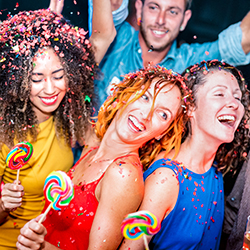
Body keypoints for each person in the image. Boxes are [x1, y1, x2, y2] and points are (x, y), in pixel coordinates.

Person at [16, 65, 192, 250]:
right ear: (126, 95)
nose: (146, 115)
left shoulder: (123, 174)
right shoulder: (93, 145)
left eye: (163, 114)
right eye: (145, 97)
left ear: (162, 133)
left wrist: (41, 247)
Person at [0, 1, 116, 247]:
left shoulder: (70, 115)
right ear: (17, 78)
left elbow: (104, 35)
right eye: (37, 78)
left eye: (58, 75)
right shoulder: (3, 132)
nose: (51, 89)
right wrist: (2, 205)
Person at [119, 60, 250, 250]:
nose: (234, 104)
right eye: (219, 94)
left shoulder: (215, 174)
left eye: (237, 98)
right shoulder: (165, 179)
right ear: (190, 108)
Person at [93, 0, 250, 108]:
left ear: (184, 19)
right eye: (154, 8)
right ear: (139, 9)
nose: (161, 20)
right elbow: (112, 5)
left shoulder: (191, 62)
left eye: (172, 12)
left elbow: (243, 39)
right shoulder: (116, 37)